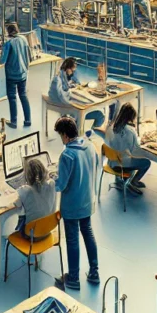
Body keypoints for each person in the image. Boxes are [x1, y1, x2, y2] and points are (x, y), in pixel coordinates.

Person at [53, 116, 99, 291]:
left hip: (72, 205)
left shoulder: (67, 155)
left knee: (72, 239)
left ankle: (73, 278)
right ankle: (94, 272)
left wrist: (49, 180)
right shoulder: (89, 145)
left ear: (65, 135)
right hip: (87, 200)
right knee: (88, 233)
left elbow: (61, 185)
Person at [48, 57, 105, 133]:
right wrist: (73, 103)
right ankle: (86, 133)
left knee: (94, 110)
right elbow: (60, 96)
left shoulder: (64, 76)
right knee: (97, 113)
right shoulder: (58, 79)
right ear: (67, 68)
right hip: (64, 104)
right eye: (72, 70)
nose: (72, 72)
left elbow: (72, 84)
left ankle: (88, 132)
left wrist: (73, 86)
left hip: (67, 102)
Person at [105, 103, 151, 195]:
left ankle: (122, 180)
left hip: (111, 163)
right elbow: (136, 151)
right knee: (146, 162)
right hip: (123, 165)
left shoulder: (110, 128)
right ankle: (133, 181)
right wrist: (145, 142)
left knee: (124, 155)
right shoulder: (130, 131)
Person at [14, 157, 57, 238]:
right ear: (44, 171)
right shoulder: (52, 184)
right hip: (48, 231)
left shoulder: (25, 191)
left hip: (32, 236)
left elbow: (16, 204)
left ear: (26, 176)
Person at [0, 23, 32, 129]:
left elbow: (2, 61)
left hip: (12, 75)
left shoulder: (8, 43)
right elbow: (30, 56)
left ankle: (14, 122)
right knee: (23, 95)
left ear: (8, 32)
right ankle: (28, 120)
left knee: (12, 97)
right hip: (23, 73)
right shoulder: (24, 39)